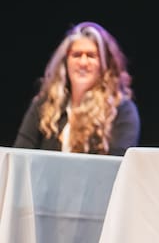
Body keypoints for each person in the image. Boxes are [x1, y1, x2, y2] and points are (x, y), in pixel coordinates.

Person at [13, 21, 139, 155]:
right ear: (66, 61)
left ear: (104, 64)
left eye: (91, 56)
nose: (83, 63)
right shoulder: (45, 105)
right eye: (76, 55)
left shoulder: (121, 110)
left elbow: (118, 163)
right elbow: (20, 155)